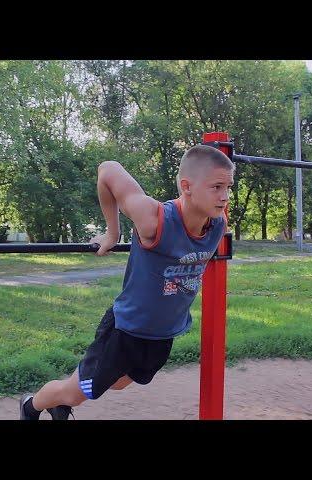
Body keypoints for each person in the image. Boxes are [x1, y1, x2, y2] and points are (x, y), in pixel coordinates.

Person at [20, 144, 235, 420]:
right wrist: (112, 233)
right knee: (76, 392)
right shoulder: (153, 219)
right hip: (126, 329)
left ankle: (61, 398)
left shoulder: (218, 223)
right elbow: (108, 168)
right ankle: (32, 405)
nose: (225, 196)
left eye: (228, 187)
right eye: (216, 187)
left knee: (119, 383)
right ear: (187, 186)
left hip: (163, 334)